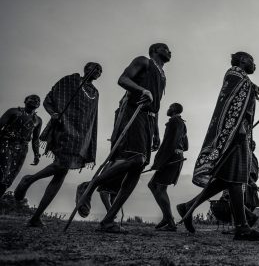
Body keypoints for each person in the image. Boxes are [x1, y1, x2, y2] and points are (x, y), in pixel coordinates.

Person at [176, 51, 259, 241]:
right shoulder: (235, 74)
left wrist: (251, 88)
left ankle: (189, 206)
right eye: (252, 61)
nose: (255, 65)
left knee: (226, 178)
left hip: (238, 131)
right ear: (243, 60)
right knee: (235, 178)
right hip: (235, 132)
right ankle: (242, 227)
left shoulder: (241, 78)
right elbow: (231, 105)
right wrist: (238, 130)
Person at [76, 43, 169, 233]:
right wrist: (141, 90)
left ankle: (108, 221)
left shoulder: (163, 76)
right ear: (154, 50)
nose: (169, 51)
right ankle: (89, 185)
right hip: (133, 113)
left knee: (137, 169)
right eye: (165, 48)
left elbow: (156, 103)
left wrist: (157, 131)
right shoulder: (144, 61)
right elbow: (123, 79)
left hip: (149, 119)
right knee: (135, 158)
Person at [14, 63, 101, 227]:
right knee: (61, 166)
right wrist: (54, 114)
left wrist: (89, 139)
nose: (98, 71)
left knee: (61, 173)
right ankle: (29, 180)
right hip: (65, 128)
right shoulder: (70, 81)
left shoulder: (95, 93)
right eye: (95, 68)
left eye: (100, 70)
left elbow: (92, 118)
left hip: (81, 136)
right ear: (86, 69)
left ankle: (35, 217)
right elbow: (49, 99)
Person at [148, 102, 188, 231]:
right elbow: (186, 146)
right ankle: (167, 217)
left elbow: (169, 143)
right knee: (153, 185)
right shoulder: (182, 123)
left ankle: (170, 222)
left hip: (170, 158)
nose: (168, 109)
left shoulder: (174, 122)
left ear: (174, 109)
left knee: (159, 188)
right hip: (176, 157)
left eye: (170, 107)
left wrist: (159, 161)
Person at [0, 95, 43, 197]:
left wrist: (36, 154)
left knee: (9, 178)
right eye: (32, 98)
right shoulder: (13, 111)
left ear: (39, 105)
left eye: (37, 100)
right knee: (2, 173)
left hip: (22, 149)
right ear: (25, 101)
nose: (35, 100)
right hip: (6, 144)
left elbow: (35, 139)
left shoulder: (38, 120)